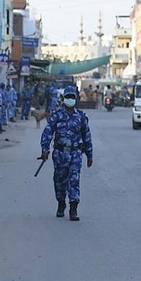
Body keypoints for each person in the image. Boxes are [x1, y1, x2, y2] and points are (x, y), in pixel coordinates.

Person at [40, 86, 93, 221]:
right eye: (68, 97)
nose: (70, 100)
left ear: (76, 99)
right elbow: (47, 133)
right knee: (59, 180)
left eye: (72, 97)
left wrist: (89, 154)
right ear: (63, 99)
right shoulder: (57, 116)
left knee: (74, 180)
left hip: (75, 154)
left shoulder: (81, 117)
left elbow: (87, 136)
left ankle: (73, 209)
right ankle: (61, 203)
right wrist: (44, 150)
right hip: (59, 154)